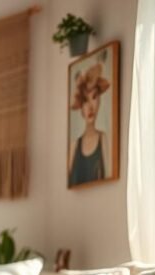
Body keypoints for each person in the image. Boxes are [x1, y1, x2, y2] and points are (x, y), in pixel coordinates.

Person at [68, 59, 111, 187]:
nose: (90, 106)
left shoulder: (103, 139)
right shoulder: (73, 146)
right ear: (81, 107)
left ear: (99, 101)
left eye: (94, 97)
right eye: (85, 100)